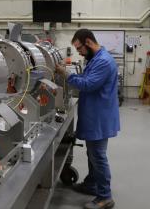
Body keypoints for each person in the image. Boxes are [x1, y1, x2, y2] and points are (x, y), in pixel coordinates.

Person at [56, 29, 120, 209]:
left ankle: (105, 197)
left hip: (99, 117)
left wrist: (65, 74)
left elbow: (87, 84)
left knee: (98, 156)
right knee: (92, 154)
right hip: (95, 115)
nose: (78, 52)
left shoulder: (103, 62)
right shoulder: (95, 59)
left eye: (79, 48)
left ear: (89, 42)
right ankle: (92, 184)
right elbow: (86, 78)